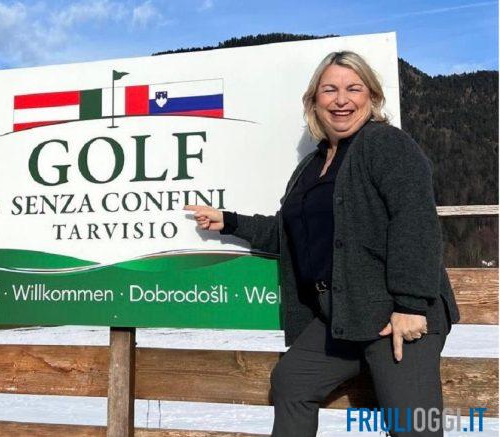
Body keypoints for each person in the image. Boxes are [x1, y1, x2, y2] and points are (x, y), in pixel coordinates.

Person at [186, 51, 459, 437]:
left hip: (396, 316)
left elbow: (415, 221)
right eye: (329, 90)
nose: (341, 99)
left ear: (372, 97)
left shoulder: (385, 143)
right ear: (314, 101)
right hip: (345, 315)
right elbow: (290, 234)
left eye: (353, 89)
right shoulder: (312, 165)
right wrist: (229, 221)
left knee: (413, 427)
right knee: (292, 380)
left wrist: (411, 305)